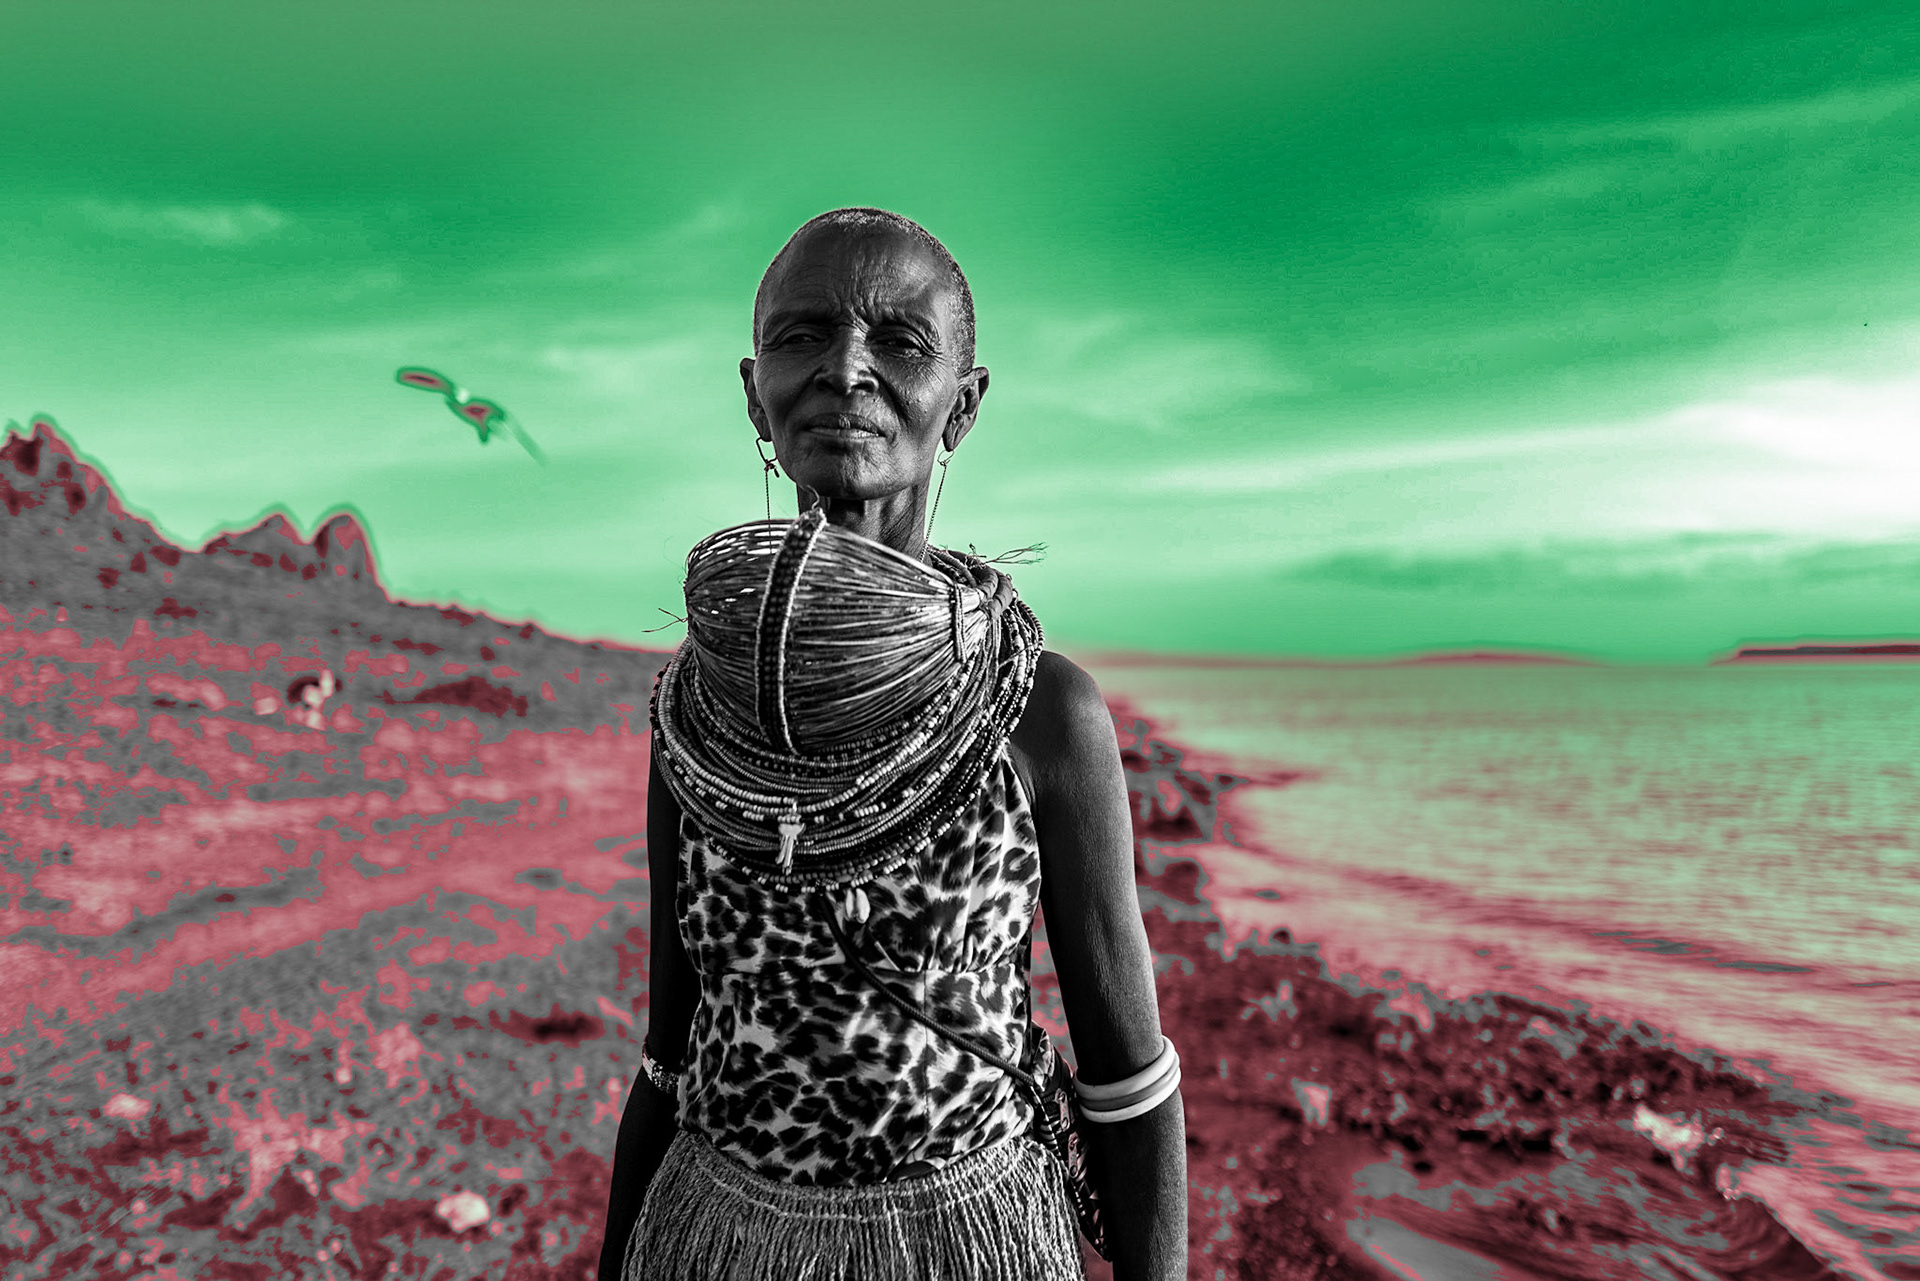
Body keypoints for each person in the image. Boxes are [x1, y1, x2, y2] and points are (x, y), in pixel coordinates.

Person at [597, 208, 1187, 1280]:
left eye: (900, 344)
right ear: (753, 392)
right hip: (716, 1235)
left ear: (962, 407)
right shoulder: (696, 710)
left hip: (971, 1239)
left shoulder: (1042, 715)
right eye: (802, 337)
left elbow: (1129, 1082)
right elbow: (671, 1052)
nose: (846, 371)